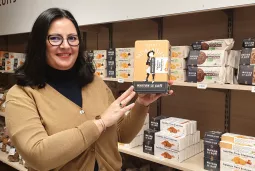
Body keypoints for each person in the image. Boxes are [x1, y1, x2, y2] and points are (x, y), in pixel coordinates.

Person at [4, 8, 173, 171]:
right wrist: (99, 124)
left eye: (72, 38)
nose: (65, 45)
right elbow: (38, 156)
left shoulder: (95, 83)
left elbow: (123, 134)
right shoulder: (21, 95)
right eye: (55, 38)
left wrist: (141, 104)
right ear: (40, 44)